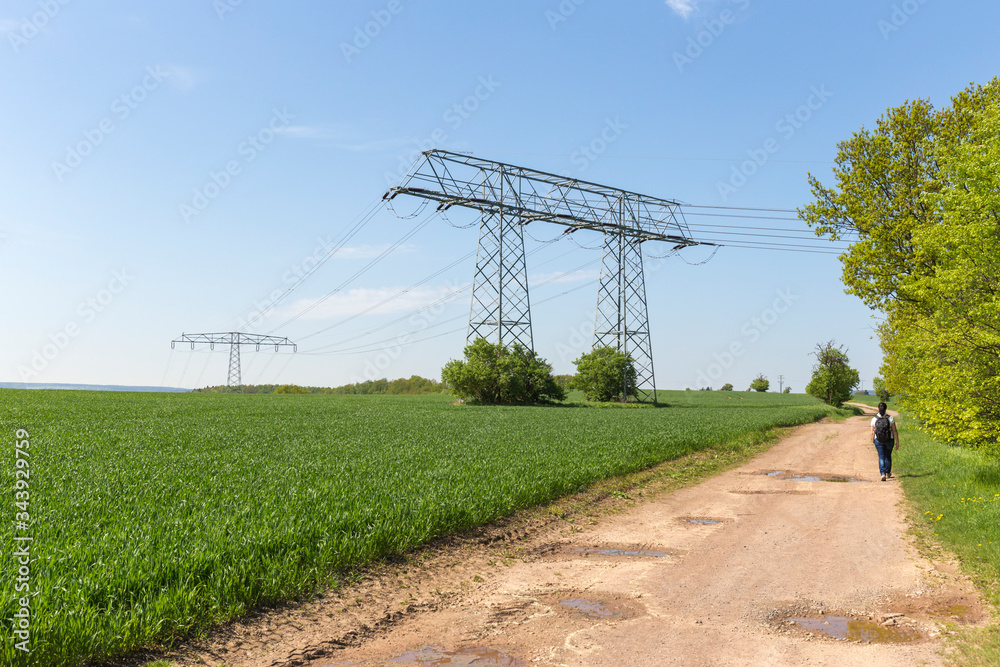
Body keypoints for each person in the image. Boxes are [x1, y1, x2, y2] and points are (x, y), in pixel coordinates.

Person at [870, 402, 900, 481]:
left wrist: (873, 440)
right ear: (886, 409)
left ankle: (882, 473)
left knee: (881, 456)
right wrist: (897, 442)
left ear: (878, 409)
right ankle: (888, 472)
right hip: (889, 439)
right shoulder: (890, 418)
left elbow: (872, 432)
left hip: (878, 440)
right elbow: (894, 431)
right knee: (888, 455)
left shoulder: (874, 419)